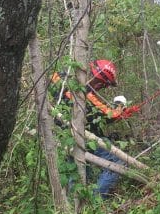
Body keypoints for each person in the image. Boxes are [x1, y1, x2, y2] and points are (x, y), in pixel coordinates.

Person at [51, 59, 141, 197]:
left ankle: (77, 205)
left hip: (65, 137)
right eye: (103, 85)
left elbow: (54, 78)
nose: (102, 88)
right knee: (118, 162)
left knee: (79, 169)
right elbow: (110, 114)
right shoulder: (84, 93)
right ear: (99, 80)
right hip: (83, 136)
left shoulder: (63, 80)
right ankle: (95, 200)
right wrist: (122, 109)